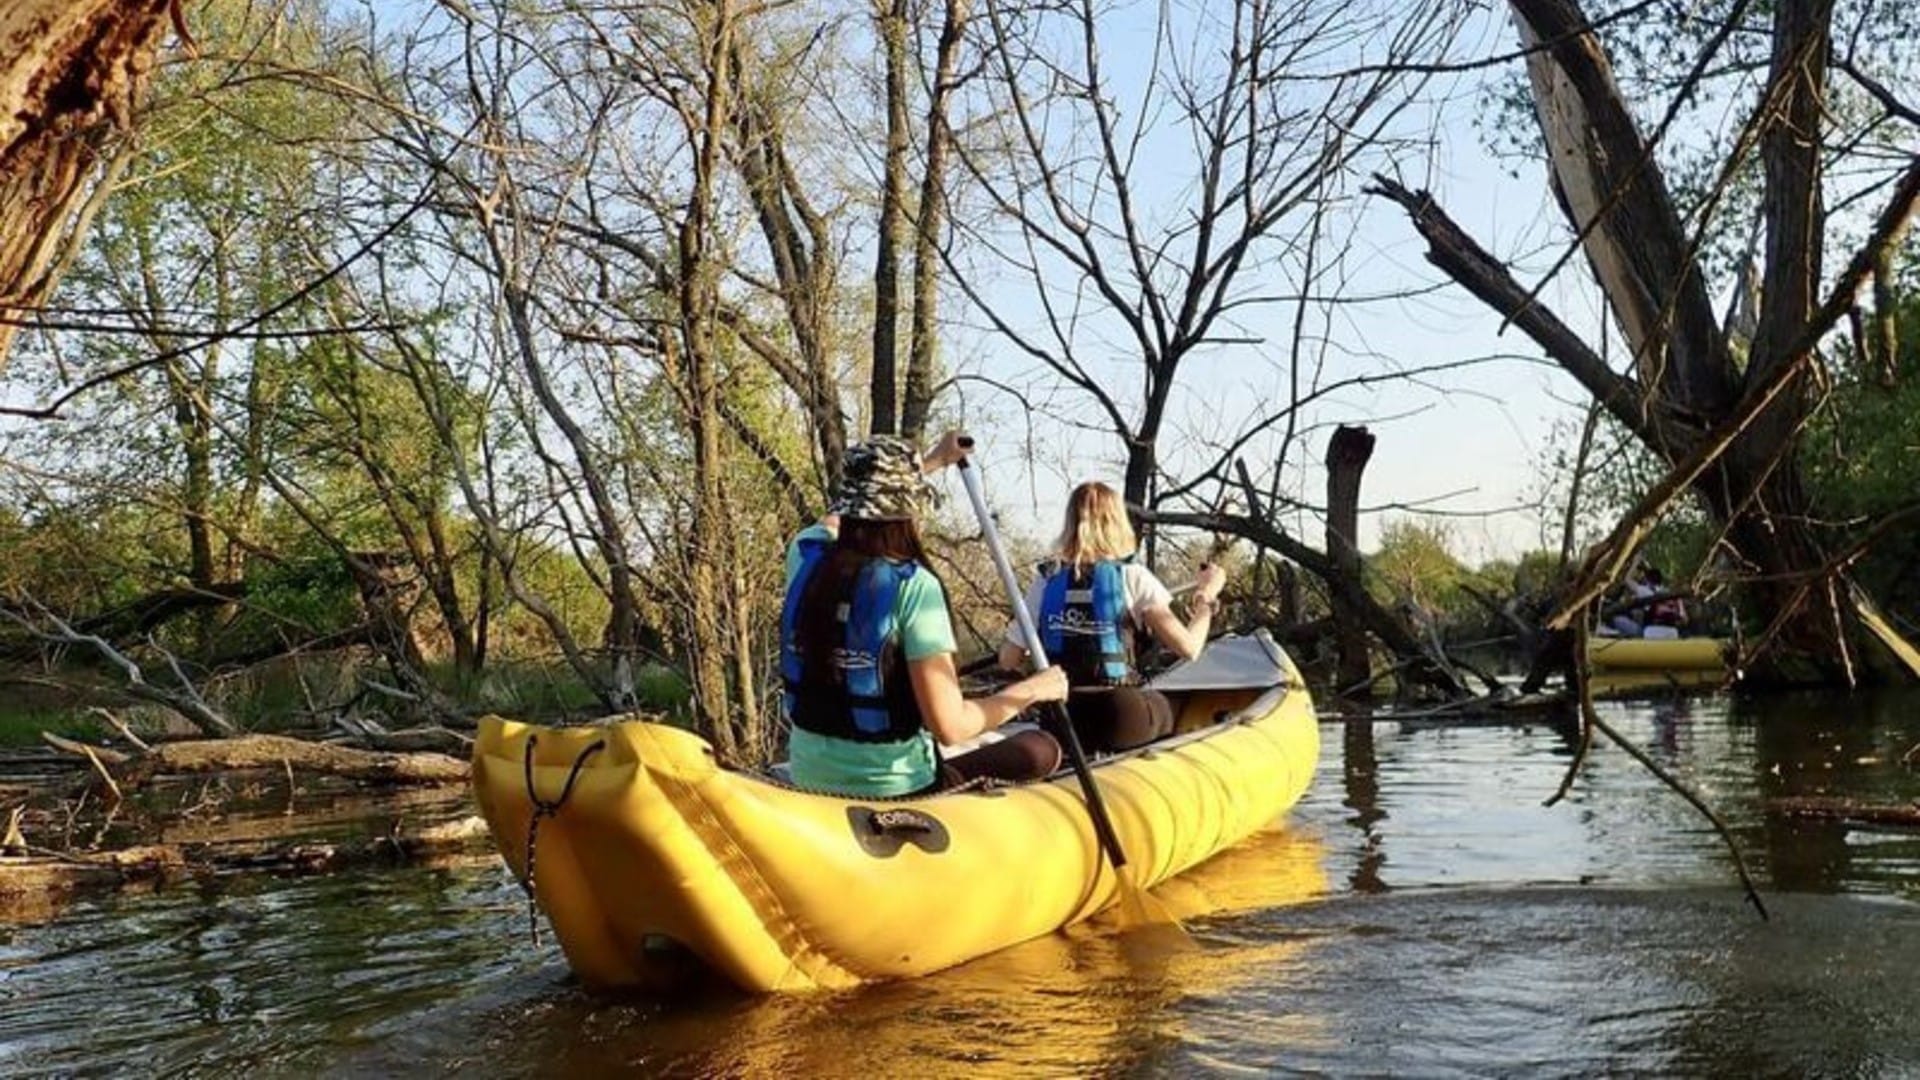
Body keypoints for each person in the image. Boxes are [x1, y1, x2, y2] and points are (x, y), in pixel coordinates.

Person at [780, 432, 1069, 798]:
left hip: (809, 779)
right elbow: (950, 727)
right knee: (1039, 749)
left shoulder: (806, 555)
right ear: (909, 511)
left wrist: (933, 461)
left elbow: (835, 520)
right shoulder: (915, 588)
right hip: (896, 790)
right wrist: (1034, 689)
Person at [997, 481, 1225, 753]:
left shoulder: (1046, 580)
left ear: (1070, 523)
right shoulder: (1131, 575)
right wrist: (1206, 598)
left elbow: (1007, 660)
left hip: (1061, 720)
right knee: (1173, 704)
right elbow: (1189, 648)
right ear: (1118, 522)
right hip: (1121, 715)